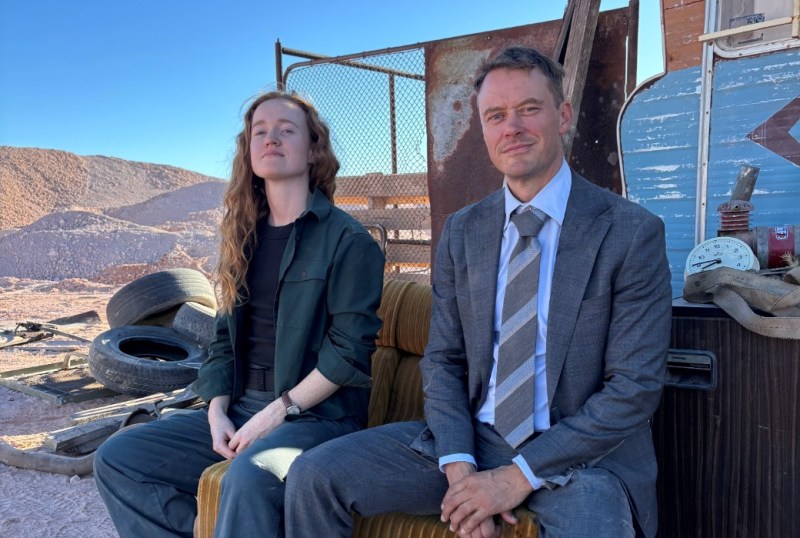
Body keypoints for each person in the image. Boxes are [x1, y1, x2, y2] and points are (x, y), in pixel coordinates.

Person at [284, 46, 672, 538]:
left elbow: (632, 389)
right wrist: (461, 468)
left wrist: (514, 479)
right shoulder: (464, 232)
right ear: (484, 130)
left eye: (529, 109)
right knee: (313, 476)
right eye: (496, 115)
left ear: (563, 115)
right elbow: (443, 360)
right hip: (477, 438)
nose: (512, 127)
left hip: (582, 458)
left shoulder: (630, 232)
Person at [93, 91, 385, 538]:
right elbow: (224, 341)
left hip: (317, 418)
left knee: (250, 479)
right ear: (248, 152)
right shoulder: (241, 238)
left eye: (287, 130)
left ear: (312, 150)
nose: (271, 138)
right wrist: (216, 411)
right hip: (243, 406)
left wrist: (276, 413)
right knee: (119, 458)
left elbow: (348, 354)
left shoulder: (349, 241)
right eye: (260, 132)